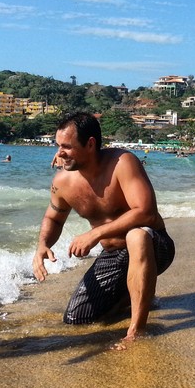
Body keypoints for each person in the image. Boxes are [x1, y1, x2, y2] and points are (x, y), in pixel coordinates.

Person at [32, 112, 175, 344]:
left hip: (155, 245)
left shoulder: (122, 163)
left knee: (136, 235)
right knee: (77, 318)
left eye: (66, 146)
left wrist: (95, 233)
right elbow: (54, 218)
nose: (59, 153)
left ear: (90, 144)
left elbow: (145, 212)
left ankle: (136, 330)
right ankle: (131, 296)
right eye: (58, 146)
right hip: (114, 254)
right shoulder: (62, 182)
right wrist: (42, 245)